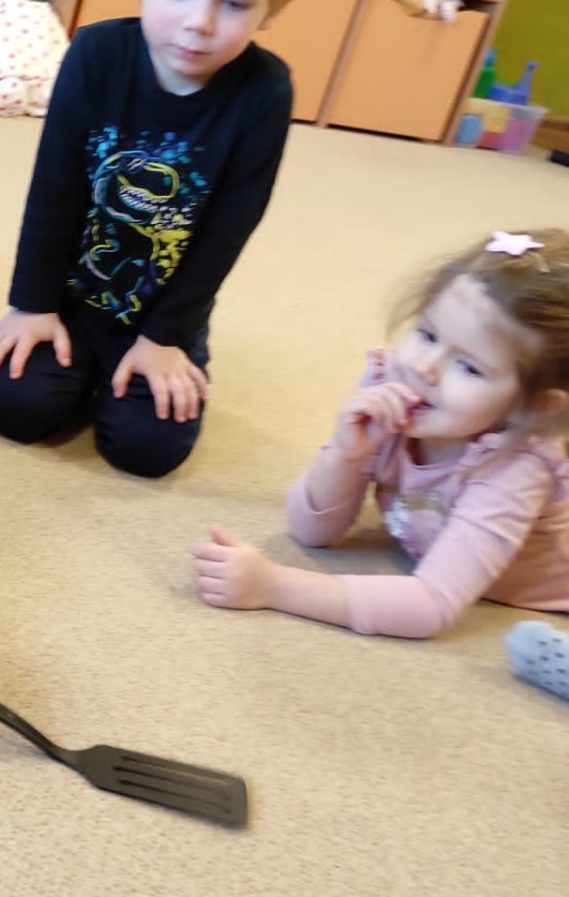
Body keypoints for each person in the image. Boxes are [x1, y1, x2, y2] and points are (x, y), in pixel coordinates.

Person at [0, 0, 322, 477]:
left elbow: (226, 232)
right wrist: (33, 304)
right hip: (72, 296)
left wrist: (166, 339)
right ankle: (78, 364)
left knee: (147, 449)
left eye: (235, 3)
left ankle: (130, 365)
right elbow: (54, 191)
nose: (200, 22)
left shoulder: (265, 93)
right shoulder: (94, 55)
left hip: (161, 314)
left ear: (276, 4)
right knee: (14, 406)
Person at [192, 230, 569, 640]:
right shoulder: (393, 396)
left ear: (536, 407)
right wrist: (344, 455)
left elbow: (429, 606)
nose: (424, 367)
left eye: (469, 367)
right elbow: (311, 531)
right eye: (427, 334)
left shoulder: (515, 468)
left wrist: (275, 586)